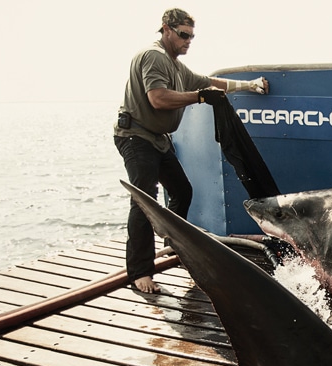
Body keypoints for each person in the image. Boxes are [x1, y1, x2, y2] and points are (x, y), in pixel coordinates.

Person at [114, 8, 269, 293]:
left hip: (158, 139)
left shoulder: (175, 66)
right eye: (183, 35)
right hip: (135, 137)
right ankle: (139, 272)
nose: (188, 41)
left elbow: (210, 83)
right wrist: (198, 97)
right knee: (144, 200)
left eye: (192, 37)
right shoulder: (154, 56)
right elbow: (158, 99)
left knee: (182, 191)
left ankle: (171, 244)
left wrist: (250, 85)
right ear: (166, 29)